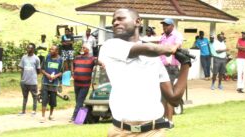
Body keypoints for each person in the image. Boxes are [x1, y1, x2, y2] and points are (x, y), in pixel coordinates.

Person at [99, 8, 191, 136]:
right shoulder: (110, 46)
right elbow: (148, 48)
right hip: (121, 131)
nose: (115, 22)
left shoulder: (155, 59)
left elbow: (174, 98)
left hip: (153, 132)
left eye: (120, 19)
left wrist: (186, 63)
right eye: (114, 20)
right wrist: (171, 48)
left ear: (137, 22)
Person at [159, 18, 183, 128]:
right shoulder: (162, 37)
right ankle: (164, 119)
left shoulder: (177, 35)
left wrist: (171, 48)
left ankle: (170, 121)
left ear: (172, 26)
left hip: (172, 68)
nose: (164, 27)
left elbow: (175, 48)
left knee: (170, 95)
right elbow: (159, 50)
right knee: (162, 96)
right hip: (162, 67)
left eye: (167, 25)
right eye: (163, 25)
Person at [70, 44, 103, 121]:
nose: (82, 48)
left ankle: (74, 117)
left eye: (84, 48)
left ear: (88, 50)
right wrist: (72, 72)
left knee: (80, 100)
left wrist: (100, 62)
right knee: (78, 100)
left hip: (85, 84)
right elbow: (73, 64)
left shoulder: (92, 58)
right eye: (81, 47)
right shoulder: (77, 57)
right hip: (76, 83)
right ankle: (81, 117)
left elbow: (99, 63)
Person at [40, 45, 63, 123]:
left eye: (52, 49)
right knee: (44, 99)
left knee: (53, 100)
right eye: (50, 49)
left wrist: (56, 76)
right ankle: (43, 116)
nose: (50, 51)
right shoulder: (46, 57)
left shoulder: (61, 60)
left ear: (57, 51)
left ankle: (51, 115)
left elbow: (62, 72)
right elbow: (41, 69)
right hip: (45, 82)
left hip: (54, 84)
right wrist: (47, 75)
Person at [18, 43, 41, 116]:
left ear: (33, 49)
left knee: (34, 96)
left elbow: (38, 70)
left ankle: (34, 111)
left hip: (32, 81)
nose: (28, 49)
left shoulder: (36, 58)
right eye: (27, 48)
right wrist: (21, 80)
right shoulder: (24, 57)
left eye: (30, 48)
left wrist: (33, 75)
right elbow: (22, 69)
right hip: (24, 81)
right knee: (25, 97)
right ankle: (23, 111)